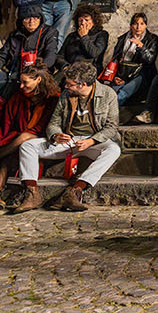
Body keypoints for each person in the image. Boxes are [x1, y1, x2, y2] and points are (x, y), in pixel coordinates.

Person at [12, 61, 122, 213]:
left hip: (95, 141)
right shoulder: (66, 95)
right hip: (70, 141)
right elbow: (54, 123)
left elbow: (111, 127)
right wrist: (56, 135)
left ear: (82, 84)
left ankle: (75, 191)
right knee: (27, 145)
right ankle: (32, 193)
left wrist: (91, 141)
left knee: (114, 149)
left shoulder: (108, 94)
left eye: (70, 84)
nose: (65, 86)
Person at [0, 63, 58, 211]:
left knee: (23, 139)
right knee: (11, 154)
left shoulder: (52, 99)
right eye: (20, 82)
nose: (21, 86)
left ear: (38, 80)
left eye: (25, 82)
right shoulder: (18, 97)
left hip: (42, 140)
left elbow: (41, 127)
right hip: (15, 142)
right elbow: (3, 123)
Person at [0, 3, 59, 99]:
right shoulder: (15, 35)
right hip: (15, 72)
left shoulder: (49, 33)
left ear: (41, 19)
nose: (31, 21)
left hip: (36, 74)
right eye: (27, 18)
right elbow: (2, 55)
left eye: (35, 18)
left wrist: (35, 72)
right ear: (21, 21)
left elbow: (50, 56)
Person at [103, 13, 158, 107]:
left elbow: (150, 60)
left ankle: (107, 114)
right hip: (123, 73)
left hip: (141, 74)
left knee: (122, 94)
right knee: (111, 94)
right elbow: (116, 59)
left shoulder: (152, 39)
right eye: (135, 24)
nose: (138, 27)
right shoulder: (123, 38)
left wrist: (141, 46)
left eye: (142, 24)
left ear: (145, 25)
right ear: (131, 25)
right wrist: (115, 75)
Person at [57, 6, 108, 72]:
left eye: (86, 20)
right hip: (70, 70)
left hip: (89, 72)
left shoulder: (101, 34)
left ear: (94, 21)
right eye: (80, 20)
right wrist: (65, 66)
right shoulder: (72, 36)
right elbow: (60, 56)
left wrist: (84, 36)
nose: (83, 23)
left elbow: (94, 53)